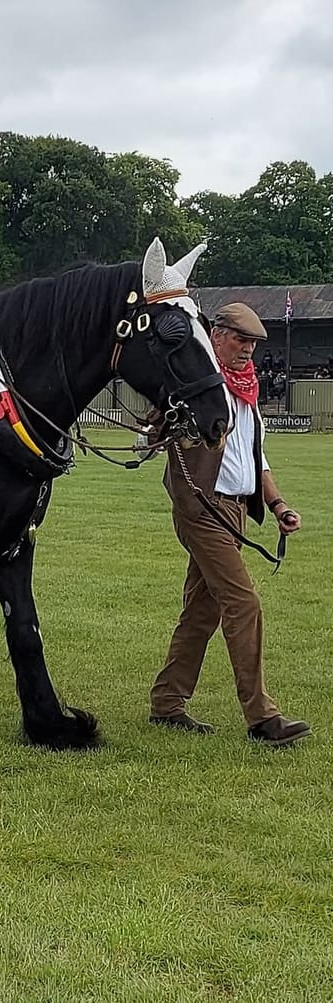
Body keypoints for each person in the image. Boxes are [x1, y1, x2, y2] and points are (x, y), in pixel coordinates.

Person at [149, 302, 310, 747]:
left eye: (254, 343)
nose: (248, 350)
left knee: (202, 611)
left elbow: (257, 459)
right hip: (203, 510)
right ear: (216, 336)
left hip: (235, 511)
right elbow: (155, 431)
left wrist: (277, 505)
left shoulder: (248, 393)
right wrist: (158, 427)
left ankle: (167, 702)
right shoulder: (195, 388)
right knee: (243, 602)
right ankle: (262, 717)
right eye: (241, 339)